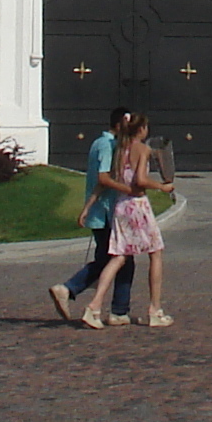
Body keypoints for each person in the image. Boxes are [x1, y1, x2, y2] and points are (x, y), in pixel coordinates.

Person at [83, 112, 174, 328]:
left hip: (120, 206)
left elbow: (106, 180)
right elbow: (140, 180)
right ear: (141, 129)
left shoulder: (119, 150)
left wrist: (88, 206)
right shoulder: (143, 149)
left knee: (118, 256)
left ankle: (94, 306)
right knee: (155, 252)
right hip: (137, 205)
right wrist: (162, 187)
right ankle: (155, 309)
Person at [49, 108, 137, 324]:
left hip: (101, 211)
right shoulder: (107, 146)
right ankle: (74, 290)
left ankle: (117, 309)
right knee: (118, 259)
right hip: (106, 212)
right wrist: (128, 190)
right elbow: (103, 178)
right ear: (118, 125)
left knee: (111, 259)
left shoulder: (101, 143)